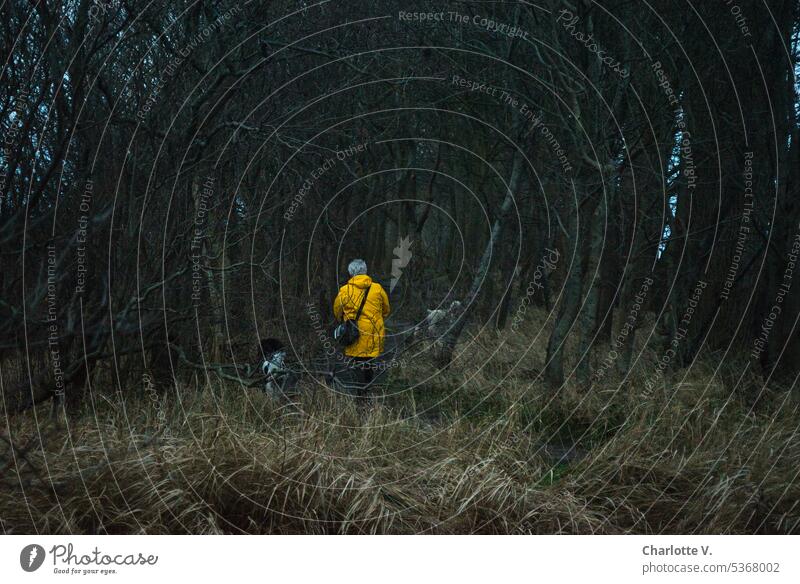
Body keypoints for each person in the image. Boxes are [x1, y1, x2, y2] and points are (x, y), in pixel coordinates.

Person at [333, 259, 390, 388]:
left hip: (354, 332)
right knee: (369, 363)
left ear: (350, 273)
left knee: (357, 363)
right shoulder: (377, 288)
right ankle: (367, 391)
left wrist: (343, 320)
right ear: (365, 271)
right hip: (374, 332)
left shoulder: (345, 290)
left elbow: (337, 310)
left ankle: (359, 393)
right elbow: (386, 310)